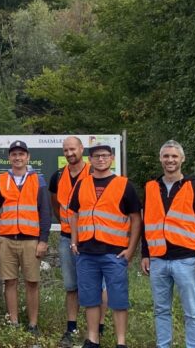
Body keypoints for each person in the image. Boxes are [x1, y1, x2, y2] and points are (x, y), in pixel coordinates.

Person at [141, 140, 195, 348]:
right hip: (158, 260)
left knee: (192, 311)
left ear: (182, 159)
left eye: (174, 156)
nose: (170, 160)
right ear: (160, 159)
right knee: (161, 310)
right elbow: (147, 222)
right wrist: (145, 254)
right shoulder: (150, 187)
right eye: (166, 156)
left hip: (187, 260)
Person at [70, 144, 143, 348]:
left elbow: (136, 218)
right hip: (86, 253)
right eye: (96, 156)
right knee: (90, 298)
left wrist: (131, 249)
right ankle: (93, 339)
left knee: (118, 300)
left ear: (111, 158)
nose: (100, 159)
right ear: (90, 160)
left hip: (114, 253)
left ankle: (121, 342)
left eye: (104, 156)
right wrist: (74, 240)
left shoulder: (124, 185)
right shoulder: (82, 184)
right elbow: (74, 213)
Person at [0, 141, 52, 335]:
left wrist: (43, 240)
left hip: (31, 240)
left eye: (21, 154)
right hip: (6, 239)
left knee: (32, 282)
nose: (18, 157)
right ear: (9, 158)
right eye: (14, 154)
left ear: (28, 157)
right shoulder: (1, 180)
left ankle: (33, 324)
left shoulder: (38, 180)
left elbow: (45, 212)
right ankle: (13, 323)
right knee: (10, 282)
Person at [50, 136, 102, 346]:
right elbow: (56, 204)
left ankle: (98, 328)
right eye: (66, 150)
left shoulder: (94, 173)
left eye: (73, 149)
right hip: (66, 238)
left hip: (92, 239)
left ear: (82, 149)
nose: (70, 153)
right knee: (71, 286)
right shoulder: (58, 176)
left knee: (96, 286)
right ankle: (71, 327)